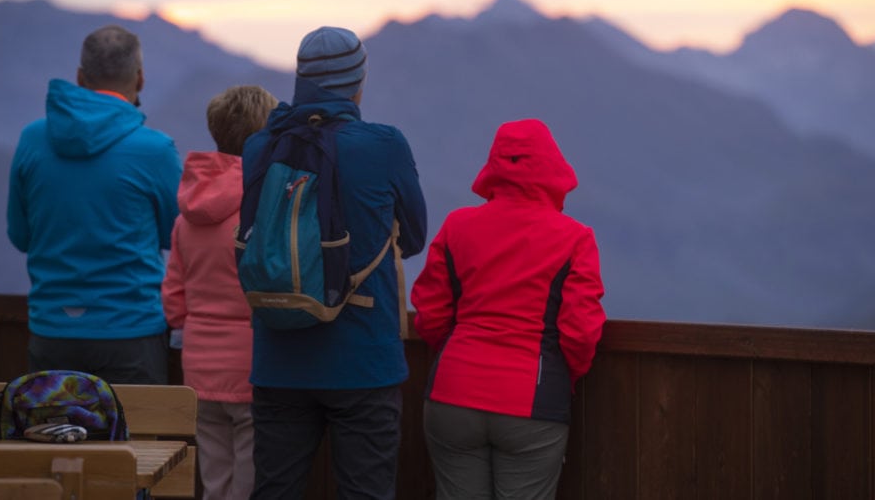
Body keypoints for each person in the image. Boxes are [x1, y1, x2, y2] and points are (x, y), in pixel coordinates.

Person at [247, 26, 428, 500]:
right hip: (363, 360)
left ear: (300, 80)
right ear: (357, 82)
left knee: (274, 491)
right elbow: (413, 237)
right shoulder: (384, 144)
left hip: (278, 358)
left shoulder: (258, 148)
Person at [411, 118, 606, 500]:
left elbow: (430, 315)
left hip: (452, 393)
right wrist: (562, 377)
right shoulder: (575, 238)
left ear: (494, 166)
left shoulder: (457, 226)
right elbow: (580, 332)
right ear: (554, 166)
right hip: (530, 401)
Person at [6, 24, 182, 385]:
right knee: (141, 442)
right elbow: (175, 236)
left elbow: (21, 236)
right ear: (140, 79)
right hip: (131, 333)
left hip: (51, 332)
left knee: (52, 439)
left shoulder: (32, 140)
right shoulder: (155, 150)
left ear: (80, 77)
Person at [162, 85, 278, 500]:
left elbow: (174, 296)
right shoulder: (263, 204)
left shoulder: (186, 213)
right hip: (252, 362)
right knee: (248, 483)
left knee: (213, 480)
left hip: (198, 364)